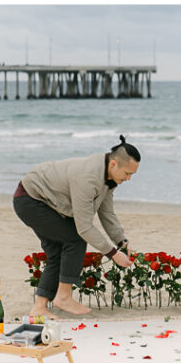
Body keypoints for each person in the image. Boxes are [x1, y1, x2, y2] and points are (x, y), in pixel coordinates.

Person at [13, 135, 139, 318]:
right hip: (31, 200)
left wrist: (122, 242)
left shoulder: (108, 178)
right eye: (127, 174)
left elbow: (107, 213)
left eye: (132, 175)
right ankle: (63, 297)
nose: (128, 178)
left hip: (46, 202)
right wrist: (113, 254)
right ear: (113, 164)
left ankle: (39, 308)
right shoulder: (89, 178)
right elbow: (84, 228)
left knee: (58, 252)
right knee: (76, 239)